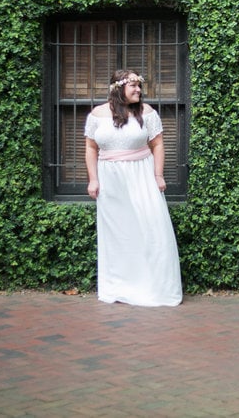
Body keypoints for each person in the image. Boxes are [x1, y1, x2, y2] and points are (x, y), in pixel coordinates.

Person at [85, 69, 183, 307]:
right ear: (118, 88)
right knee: (119, 234)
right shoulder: (97, 114)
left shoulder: (147, 112)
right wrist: (93, 179)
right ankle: (119, 286)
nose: (139, 90)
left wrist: (158, 175)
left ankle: (155, 286)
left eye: (139, 86)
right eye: (133, 86)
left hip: (141, 174)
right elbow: (91, 148)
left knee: (151, 227)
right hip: (111, 180)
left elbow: (158, 144)